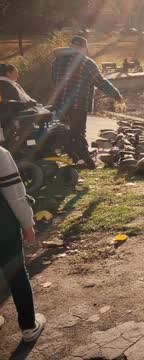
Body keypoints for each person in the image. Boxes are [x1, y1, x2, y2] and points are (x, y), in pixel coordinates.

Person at [51, 36, 124, 169]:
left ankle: (76, 158)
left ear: (70, 46)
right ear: (84, 48)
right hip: (78, 104)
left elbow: (53, 80)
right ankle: (87, 162)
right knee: (78, 133)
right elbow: (101, 82)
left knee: (66, 132)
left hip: (60, 103)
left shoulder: (57, 61)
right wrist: (117, 95)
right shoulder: (86, 63)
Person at [0, 145, 46, 342]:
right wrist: (28, 224)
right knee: (17, 273)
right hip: (3, 228)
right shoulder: (1, 154)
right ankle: (28, 326)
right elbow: (15, 194)